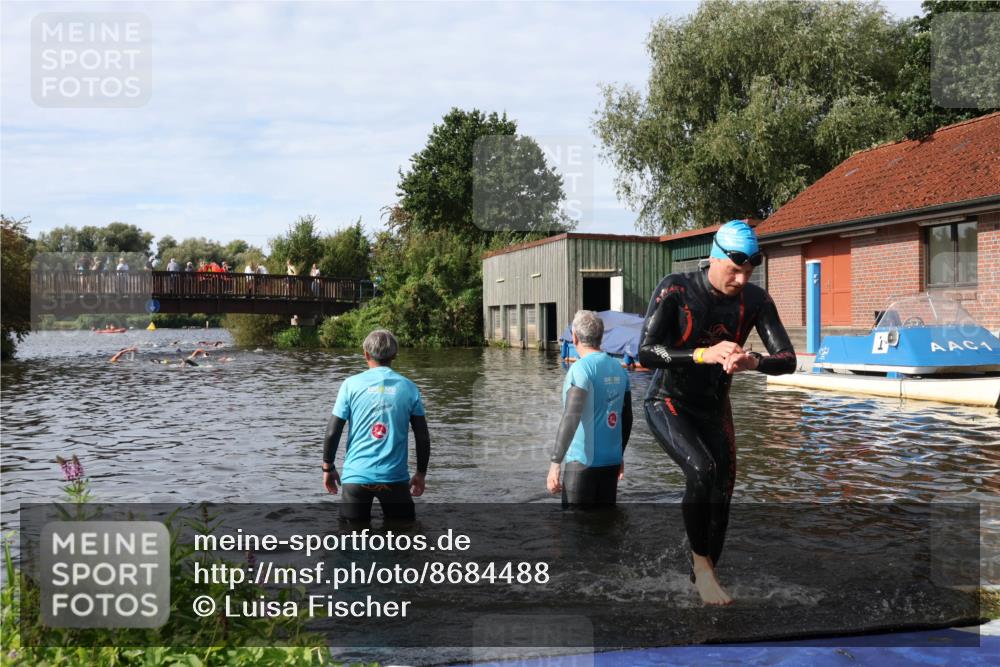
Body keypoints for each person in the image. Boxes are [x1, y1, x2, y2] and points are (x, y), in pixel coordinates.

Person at [638, 220, 796, 606]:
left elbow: (787, 359)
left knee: (722, 493)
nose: (742, 279)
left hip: (714, 407)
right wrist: (700, 354)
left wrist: (753, 361)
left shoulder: (756, 300)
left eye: (748, 271)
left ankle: (704, 577)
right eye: (734, 270)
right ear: (714, 257)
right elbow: (645, 352)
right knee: (701, 470)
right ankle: (703, 571)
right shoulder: (677, 288)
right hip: (668, 402)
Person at [322, 329, 430, 522]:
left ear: (365, 354)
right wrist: (421, 474)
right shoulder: (409, 387)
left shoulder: (350, 385)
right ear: (395, 355)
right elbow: (422, 437)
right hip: (394, 478)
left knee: (350, 539)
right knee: (404, 538)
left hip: (357, 477)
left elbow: (333, 432)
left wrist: (328, 469)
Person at [547, 310, 633, 508]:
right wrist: (619, 455)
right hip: (611, 463)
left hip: (582, 464)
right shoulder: (619, 369)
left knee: (575, 531)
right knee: (606, 527)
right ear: (600, 337)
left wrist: (555, 464)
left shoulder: (581, 369)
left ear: (575, 337)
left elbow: (571, 417)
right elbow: (627, 418)